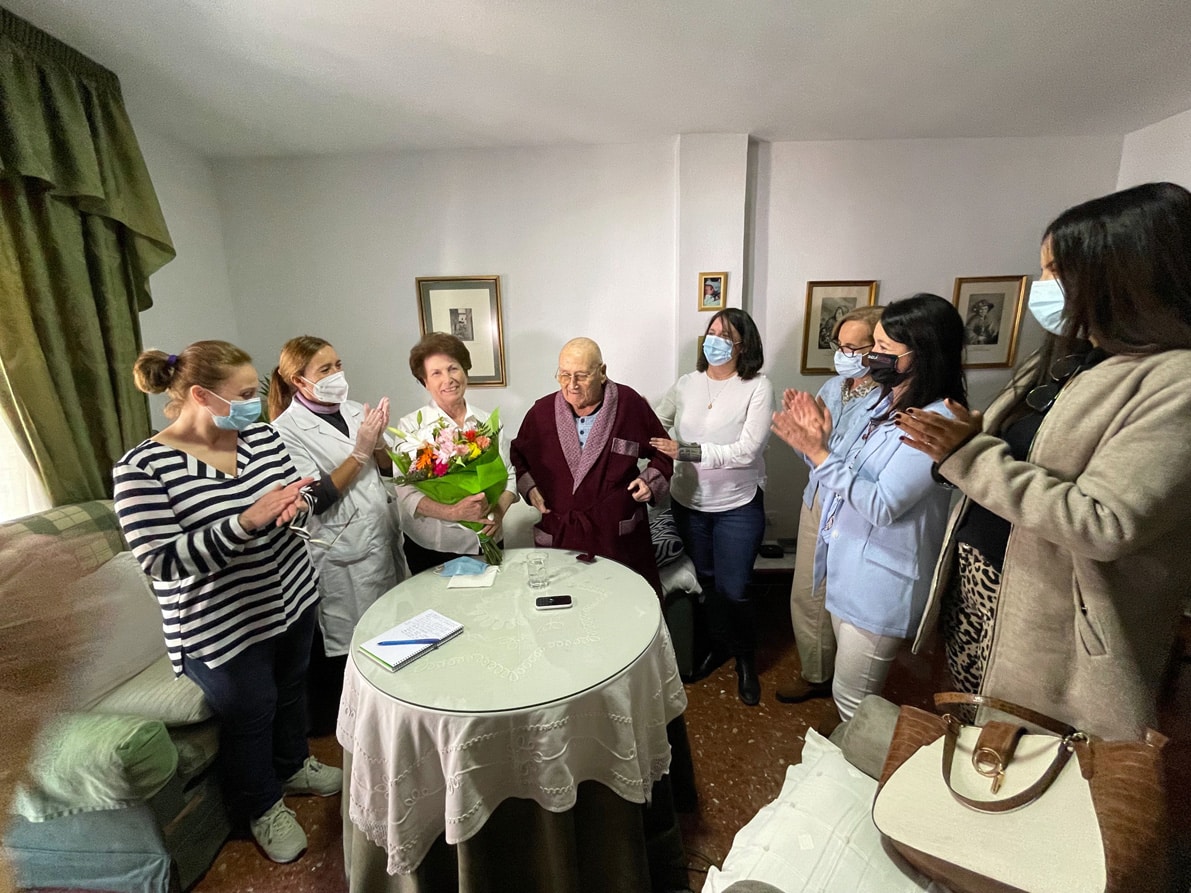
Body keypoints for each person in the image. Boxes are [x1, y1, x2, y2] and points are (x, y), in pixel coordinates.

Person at [896, 182, 1191, 740]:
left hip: (1056, 624)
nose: (1043, 288)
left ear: (1119, 275)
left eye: (1057, 273)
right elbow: (1015, 450)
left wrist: (963, 452)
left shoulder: (1175, 382)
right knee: (974, 734)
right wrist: (961, 439)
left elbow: (1106, 523)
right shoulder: (1070, 356)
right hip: (988, 582)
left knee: (1029, 760)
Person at [112, 340, 341, 865]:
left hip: (292, 596)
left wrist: (294, 506)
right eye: (241, 394)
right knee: (250, 713)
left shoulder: (259, 437)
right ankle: (262, 806)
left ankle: (294, 763)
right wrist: (245, 523)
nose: (254, 405)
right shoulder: (143, 469)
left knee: (290, 693)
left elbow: (295, 494)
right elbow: (160, 561)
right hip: (222, 624)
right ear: (200, 396)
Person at [773, 294, 966, 721]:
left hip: (879, 582)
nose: (871, 358)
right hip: (849, 563)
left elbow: (881, 504)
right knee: (848, 689)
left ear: (923, 353)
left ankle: (864, 771)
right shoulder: (887, 405)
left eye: (881, 349)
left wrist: (819, 452)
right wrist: (818, 445)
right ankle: (848, 751)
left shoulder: (937, 421)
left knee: (856, 705)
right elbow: (844, 469)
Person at [269, 335, 400, 733]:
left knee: (391, 640)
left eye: (338, 365)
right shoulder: (284, 431)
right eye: (325, 370)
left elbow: (390, 470)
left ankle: (393, 717)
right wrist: (359, 452)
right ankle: (355, 734)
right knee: (352, 653)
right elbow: (313, 496)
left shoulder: (353, 410)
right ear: (298, 380)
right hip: (341, 555)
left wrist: (377, 445)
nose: (337, 375)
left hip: (382, 540)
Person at [651, 309, 773, 705]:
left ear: (743, 345)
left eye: (726, 335)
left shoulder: (757, 386)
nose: (715, 339)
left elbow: (747, 450)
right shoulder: (688, 383)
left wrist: (684, 450)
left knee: (734, 588)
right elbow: (658, 420)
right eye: (712, 332)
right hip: (690, 502)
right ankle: (717, 647)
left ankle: (745, 659)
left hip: (738, 504)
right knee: (704, 582)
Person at [773, 305, 883, 705]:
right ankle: (815, 673)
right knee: (807, 590)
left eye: (857, 347)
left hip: (859, 509)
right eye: (841, 345)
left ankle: (852, 687)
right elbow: (811, 452)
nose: (845, 355)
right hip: (818, 498)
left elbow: (871, 466)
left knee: (848, 599)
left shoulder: (892, 398)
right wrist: (809, 444)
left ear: (881, 347)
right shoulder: (832, 389)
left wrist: (821, 450)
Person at [511, 337, 673, 594]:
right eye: (564, 375)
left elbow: (663, 450)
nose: (571, 385)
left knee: (625, 609)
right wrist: (530, 490)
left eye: (581, 375)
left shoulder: (629, 404)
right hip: (561, 535)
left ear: (602, 373)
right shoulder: (541, 413)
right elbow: (517, 456)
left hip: (617, 534)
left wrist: (649, 482)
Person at [394, 333, 517, 575]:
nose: (448, 379)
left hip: (488, 538)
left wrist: (499, 513)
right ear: (425, 381)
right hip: (434, 546)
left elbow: (509, 475)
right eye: (436, 373)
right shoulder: (411, 429)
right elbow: (405, 492)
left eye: (453, 368)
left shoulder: (488, 422)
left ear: (465, 371)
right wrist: (453, 513)